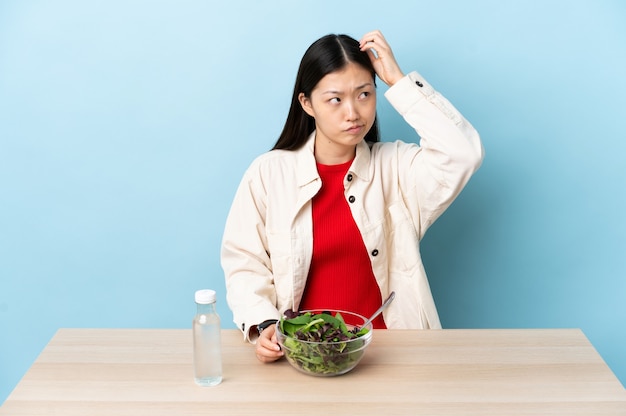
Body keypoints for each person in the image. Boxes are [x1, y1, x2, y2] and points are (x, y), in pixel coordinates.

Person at [221, 30, 484, 363]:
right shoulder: (268, 173)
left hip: (392, 354)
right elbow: (244, 263)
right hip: (303, 355)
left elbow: (463, 154)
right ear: (307, 103)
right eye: (335, 99)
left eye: (364, 94)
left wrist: (398, 82)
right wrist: (265, 323)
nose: (353, 112)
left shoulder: (396, 167)